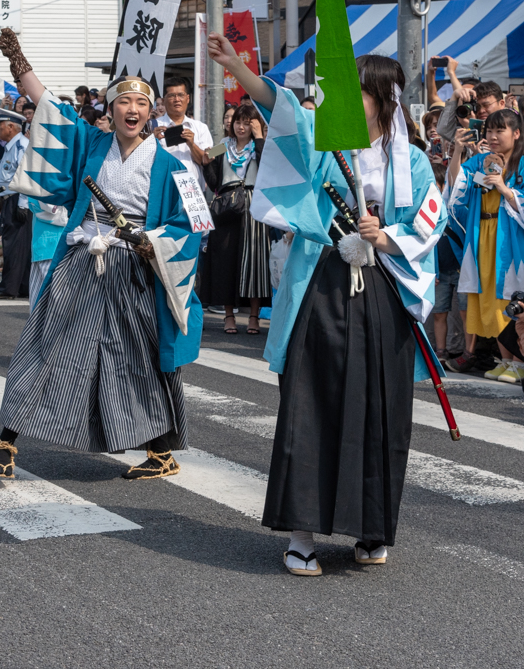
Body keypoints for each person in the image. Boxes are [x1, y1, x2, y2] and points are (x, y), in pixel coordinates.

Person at [209, 33, 446, 578]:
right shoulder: (323, 140)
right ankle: (300, 534)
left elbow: (427, 223)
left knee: (382, 409)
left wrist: (384, 238)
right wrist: (239, 69)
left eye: (357, 90)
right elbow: (283, 109)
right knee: (311, 400)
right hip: (324, 277)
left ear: (383, 97)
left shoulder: (411, 159)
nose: (345, 97)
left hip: (385, 284)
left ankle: (371, 527)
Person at [0, 29, 204, 482]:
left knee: (137, 357)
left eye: (143, 104)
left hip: (137, 267)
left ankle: (161, 450)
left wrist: (152, 240)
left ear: (153, 112)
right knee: (48, 346)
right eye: (124, 101)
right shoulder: (91, 144)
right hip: (84, 259)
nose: (133, 110)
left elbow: (192, 225)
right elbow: (51, 111)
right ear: (111, 108)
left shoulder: (173, 166)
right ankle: (7, 440)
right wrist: (20, 62)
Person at [445, 109, 524, 383]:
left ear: (516, 133)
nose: (492, 136)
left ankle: (519, 361)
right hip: (483, 236)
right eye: (489, 131)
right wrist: (457, 152)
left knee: (511, 296)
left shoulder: (522, 164)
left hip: (512, 238)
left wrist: (504, 188)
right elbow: (456, 188)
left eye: (499, 131)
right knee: (490, 298)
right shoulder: (479, 161)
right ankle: (505, 360)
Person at [200, 102, 272, 335]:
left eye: (247, 122)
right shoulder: (223, 146)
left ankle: (253, 316)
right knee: (224, 260)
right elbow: (213, 181)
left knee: (255, 262)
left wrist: (260, 138)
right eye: (238, 121)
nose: (241, 127)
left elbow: (268, 170)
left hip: (254, 205)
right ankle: (228, 316)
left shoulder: (261, 146)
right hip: (227, 205)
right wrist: (205, 165)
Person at [0, 108, 31, 300]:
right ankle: (22, 286)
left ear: (11, 127)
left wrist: (22, 203)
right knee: (19, 245)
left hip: (17, 199)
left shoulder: (22, 145)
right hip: (10, 199)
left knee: (12, 245)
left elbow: (25, 175)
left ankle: (8, 288)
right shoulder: (12, 146)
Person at [154, 76, 212, 190]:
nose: (177, 99)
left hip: (193, 192)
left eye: (181, 95)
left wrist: (191, 144)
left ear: (188, 98)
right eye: (171, 96)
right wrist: (151, 141)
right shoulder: (153, 126)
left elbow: (205, 161)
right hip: (164, 189)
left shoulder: (200, 127)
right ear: (164, 100)